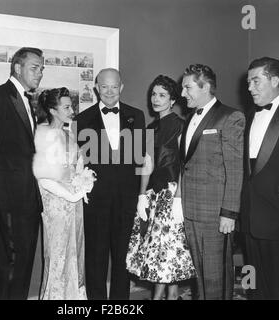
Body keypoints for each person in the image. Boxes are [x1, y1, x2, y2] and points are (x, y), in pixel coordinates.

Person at [0, 47, 44, 299]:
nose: (40, 73)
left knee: (21, 264)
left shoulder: (26, 99)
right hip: (9, 197)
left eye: (42, 69)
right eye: (35, 67)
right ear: (17, 67)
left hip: (27, 197)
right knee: (10, 263)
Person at [75, 68, 146, 300]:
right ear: (96, 87)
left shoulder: (137, 116)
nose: (108, 91)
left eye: (113, 86)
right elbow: (79, 164)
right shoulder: (82, 119)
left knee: (123, 259)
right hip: (96, 202)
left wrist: (141, 197)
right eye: (104, 86)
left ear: (121, 88)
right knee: (95, 259)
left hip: (127, 201)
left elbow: (141, 159)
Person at [126, 75, 196, 300]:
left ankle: (163, 297)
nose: (156, 99)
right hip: (154, 196)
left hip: (171, 194)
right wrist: (141, 195)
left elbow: (186, 165)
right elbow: (145, 162)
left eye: (162, 95)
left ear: (173, 99)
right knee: (159, 252)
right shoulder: (150, 126)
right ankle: (170, 295)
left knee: (166, 251)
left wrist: (178, 198)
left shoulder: (180, 126)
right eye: (154, 94)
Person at [179, 64, 245, 300]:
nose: (183, 93)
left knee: (215, 277)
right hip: (191, 210)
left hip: (215, 213)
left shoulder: (230, 117)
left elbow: (235, 169)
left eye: (187, 88)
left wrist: (229, 213)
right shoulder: (189, 118)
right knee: (199, 276)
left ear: (205, 86)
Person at [33, 87, 95, 300]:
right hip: (56, 205)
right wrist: (69, 195)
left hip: (75, 203)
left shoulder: (68, 134)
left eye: (72, 106)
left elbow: (77, 166)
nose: (72, 110)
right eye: (66, 107)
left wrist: (84, 181)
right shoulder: (43, 133)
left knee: (75, 253)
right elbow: (43, 177)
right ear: (52, 110)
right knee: (58, 256)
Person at [241, 57, 279, 299]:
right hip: (251, 215)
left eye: (256, 81)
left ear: (275, 80)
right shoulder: (250, 115)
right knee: (254, 286)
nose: (249, 87)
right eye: (249, 82)